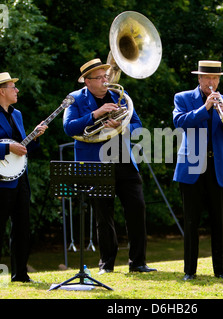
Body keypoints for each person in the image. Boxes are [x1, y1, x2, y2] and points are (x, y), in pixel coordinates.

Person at [63, 58, 156, 274]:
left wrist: (121, 125)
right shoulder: (74, 99)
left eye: (106, 75)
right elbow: (69, 127)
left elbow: (138, 126)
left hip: (123, 158)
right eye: (100, 77)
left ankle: (138, 263)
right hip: (95, 163)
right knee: (103, 215)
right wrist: (96, 114)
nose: (106, 80)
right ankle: (107, 265)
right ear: (87, 81)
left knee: (137, 208)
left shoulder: (120, 96)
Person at [0, 72, 47, 285]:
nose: (17, 90)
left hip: (20, 177)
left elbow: (21, 148)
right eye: (12, 87)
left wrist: (34, 136)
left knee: (22, 227)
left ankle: (20, 274)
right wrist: (7, 147)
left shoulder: (17, 114)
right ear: (1, 91)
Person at [172, 60, 223, 281]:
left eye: (215, 78)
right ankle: (189, 271)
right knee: (191, 222)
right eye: (207, 78)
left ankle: (220, 270)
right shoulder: (182, 98)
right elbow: (179, 122)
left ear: (219, 79)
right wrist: (205, 109)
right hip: (191, 167)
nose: (211, 82)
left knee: (219, 222)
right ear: (199, 79)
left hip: (217, 167)